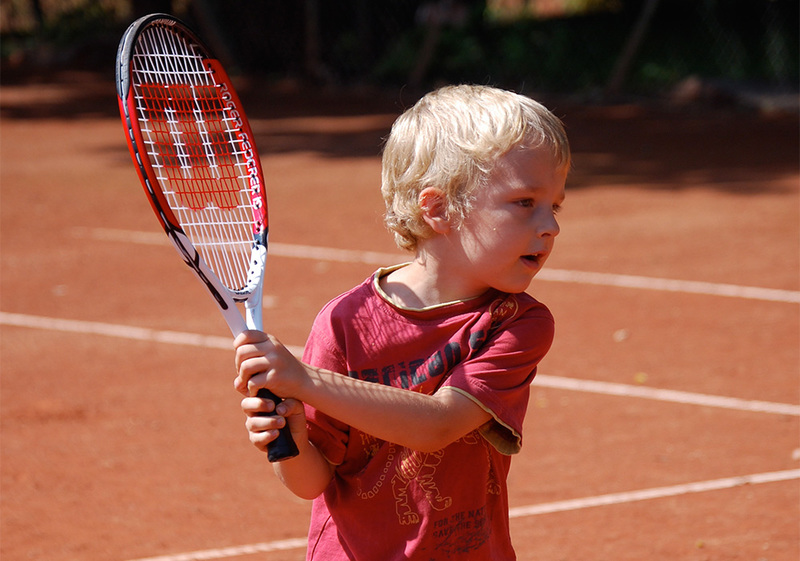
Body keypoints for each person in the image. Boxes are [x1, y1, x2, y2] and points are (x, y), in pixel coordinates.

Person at [233, 84, 570, 560]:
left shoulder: (516, 323)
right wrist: (286, 436)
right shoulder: (344, 321)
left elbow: (438, 425)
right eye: (524, 202)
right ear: (439, 210)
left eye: (553, 206)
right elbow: (312, 484)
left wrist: (306, 381)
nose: (550, 225)